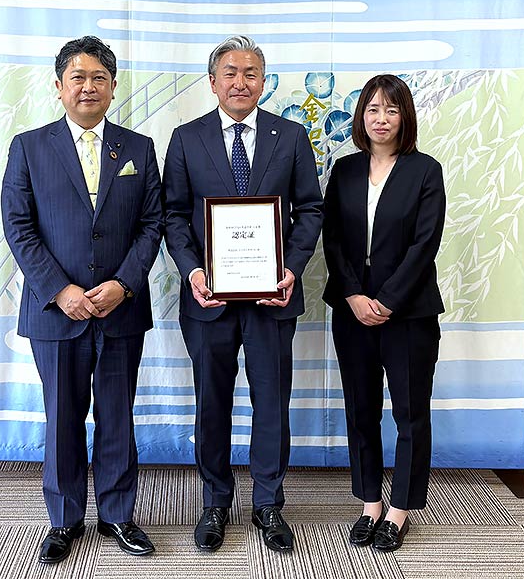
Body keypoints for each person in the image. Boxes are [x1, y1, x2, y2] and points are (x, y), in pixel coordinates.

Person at [1, 36, 163, 562]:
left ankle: (118, 515)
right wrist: (60, 289)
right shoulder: (29, 147)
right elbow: (19, 226)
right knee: (63, 418)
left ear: (113, 86)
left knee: (117, 415)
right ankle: (64, 520)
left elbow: (152, 224)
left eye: (99, 78)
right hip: (55, 311)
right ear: (59, 86)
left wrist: (124, 284)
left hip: (120, 308)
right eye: (78, 77)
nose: (88, 87)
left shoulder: (138, 148)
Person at [163, 36, 323, 553]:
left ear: (264, 81)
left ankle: (268, 504)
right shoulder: (186, 138)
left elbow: (310, 209)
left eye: (250, 73)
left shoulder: (290, 136)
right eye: (230, 73)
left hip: (272, 299)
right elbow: (173, 215)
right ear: (212, 82)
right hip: (207, 300)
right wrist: (192, 271)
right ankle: (215, 502)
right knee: (211, 403)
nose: (240, 82)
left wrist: (291, 268)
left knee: (271, 402)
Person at [322, 74, 446, 552]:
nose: (381, 118)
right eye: (372, 109)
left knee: (410, 413)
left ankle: (399, 511)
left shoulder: (425, 170)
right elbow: (333, 239)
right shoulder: (344, 170)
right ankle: (370, 503)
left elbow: (425, 243)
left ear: (404, 117)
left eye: (391, 110)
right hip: (352, 309)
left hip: (409, 310)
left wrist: (389, 299)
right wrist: (354, 295)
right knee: (361, 410)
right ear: (361, 117)